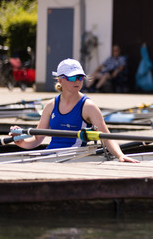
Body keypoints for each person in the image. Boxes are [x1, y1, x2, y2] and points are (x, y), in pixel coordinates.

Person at [9, 59, 138, 162]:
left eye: (80, 77)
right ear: (60, 80)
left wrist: (120, 155)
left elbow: (106, 136)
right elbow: (37, 139)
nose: (77, 81)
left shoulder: (88, 106)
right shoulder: (50, 105)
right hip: (49, 156)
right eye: (72, 78)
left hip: (74, 159)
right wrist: (20, 141)